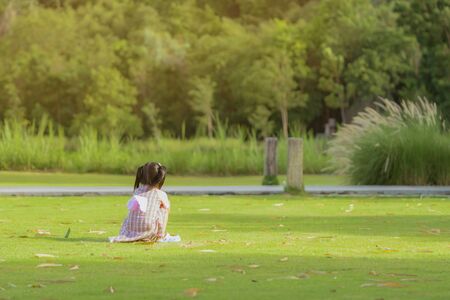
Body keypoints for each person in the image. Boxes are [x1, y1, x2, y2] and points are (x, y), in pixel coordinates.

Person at [109, 162, 180, 243]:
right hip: (150, 231)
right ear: (160, 178)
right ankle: (162, 235)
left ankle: (138, 234)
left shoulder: (137, 190)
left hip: (130, 231)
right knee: (164, 207)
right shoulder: (160, 194)